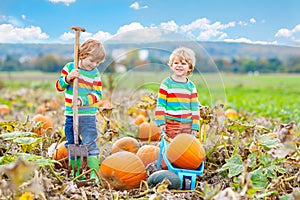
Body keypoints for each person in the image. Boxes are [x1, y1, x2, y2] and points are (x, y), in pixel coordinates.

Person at [55, 39, 106, 182]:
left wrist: (82, 101)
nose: (94, 65)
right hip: (71, 115)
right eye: (92, 61)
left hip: (88, 115)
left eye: (98, 63)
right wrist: (68, 78)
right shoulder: (70, 67)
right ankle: (77, 172)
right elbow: (59, 86)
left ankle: (94, 173)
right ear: (82, 55)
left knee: (90, 143)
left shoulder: (95, 74)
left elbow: (98, 95)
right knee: (72, 142)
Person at [155, 47, 200, 139]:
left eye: (183, 63)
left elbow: (195, 107)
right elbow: (161, 104)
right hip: (172, 123)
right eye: (176, 63)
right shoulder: (166, 84)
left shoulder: (191, 86)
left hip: (188, 123)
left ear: (189, 68)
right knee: (173, 146)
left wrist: (195, 125)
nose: (179, 65)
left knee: (186, 147)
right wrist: (160, 122)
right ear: (171, 65)